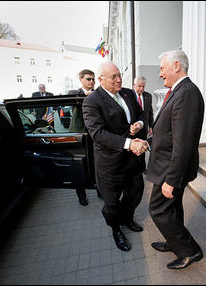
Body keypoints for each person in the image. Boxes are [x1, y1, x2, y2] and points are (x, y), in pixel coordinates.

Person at [147, 49, 205, 270]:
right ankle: (175, 241)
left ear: (176, 66)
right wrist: (149, 141)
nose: (160, 74)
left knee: (159, 210)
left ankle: (190, 251)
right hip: (168, 165)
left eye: (162, 68)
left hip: (170, 170)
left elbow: (183, 143)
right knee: (172, 208)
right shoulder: (178, 91)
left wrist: (172, 179)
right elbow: (169, 131)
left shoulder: (187, 93)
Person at [82, 61, 149, 252]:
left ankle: (128, 219)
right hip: (110, 164)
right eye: (114, 77)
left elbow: (143, 114)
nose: (119, 79)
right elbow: (98, 133)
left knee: (135, 192)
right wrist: (129, 144)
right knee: (111, 203)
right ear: (101, 79)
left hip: (133, 160)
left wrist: (139, 124)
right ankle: (115, 229)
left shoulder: (127, 93)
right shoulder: (92, 101)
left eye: (119, 75)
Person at [67, 69, 99, 206]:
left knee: (96, 163)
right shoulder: (75, 93)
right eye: (88, 79)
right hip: (79, 135)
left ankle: (99, 189)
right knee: (79, 166)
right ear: (81, 79)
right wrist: (84, 95)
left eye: (93, 79)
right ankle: (81, 195)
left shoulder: (98, 94)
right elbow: (70, 97)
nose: (91, 81)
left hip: (94, 135)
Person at [133, 76, 154, 173]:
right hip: (133, 128)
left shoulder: (148, 96)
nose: (141, 89)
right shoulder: (129, 95)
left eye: (143, 86)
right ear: (134, 85)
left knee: (143, 147)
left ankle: (142, 168)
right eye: (139, 86)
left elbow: (150, 112)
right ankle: (135, 168)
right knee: (134, 148)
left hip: (144, 127)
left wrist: (151, 126)